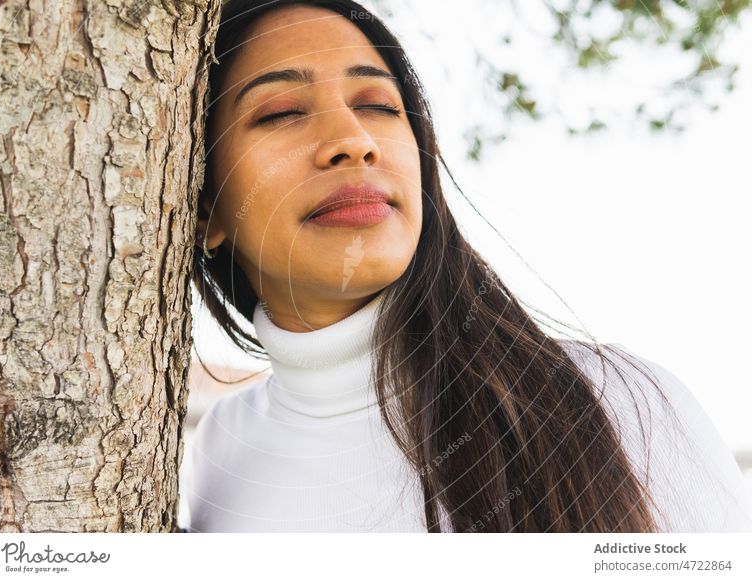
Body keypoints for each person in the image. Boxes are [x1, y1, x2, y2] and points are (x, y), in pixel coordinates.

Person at [183, 0, 752, 532]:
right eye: (281, 113)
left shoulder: (623, 403)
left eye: (378, 106)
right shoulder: (219, 453)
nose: (354, 142)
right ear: (204, 209)